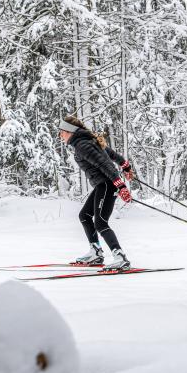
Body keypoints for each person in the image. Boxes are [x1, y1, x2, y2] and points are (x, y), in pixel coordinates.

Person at [58, 115, 134, 270]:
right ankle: (96, 251)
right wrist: (125, 165)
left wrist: (120, 186)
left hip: (107, 184)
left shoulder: (82, 145)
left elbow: (105, 164)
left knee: (100, 222)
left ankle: (120, 256)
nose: (60, 135)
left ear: (70, 131)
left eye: (62, 132)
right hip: (102, 185)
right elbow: (109, 154)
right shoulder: (86, 141)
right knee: (84, 216)